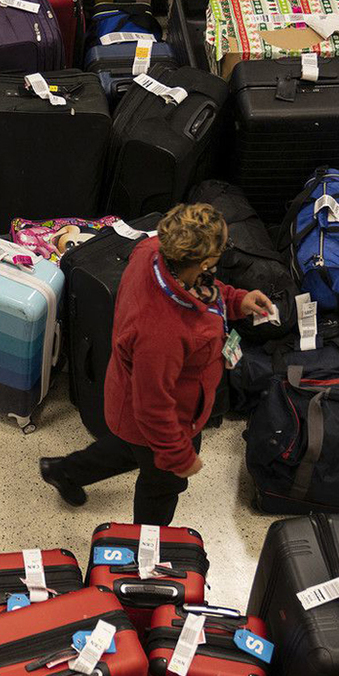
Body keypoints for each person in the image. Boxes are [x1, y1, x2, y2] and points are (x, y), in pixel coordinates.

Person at [38, 203, 275, 523]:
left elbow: (204, 288)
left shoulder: (153, 251)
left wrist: (236, 300)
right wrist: (178, 456)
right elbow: (153, 406)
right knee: (163, 484)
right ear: (204, 260)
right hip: (163, 415)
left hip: (138, 403)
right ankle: (146, 549)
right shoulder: (162, 331)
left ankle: (63, 471)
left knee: (127, 449)